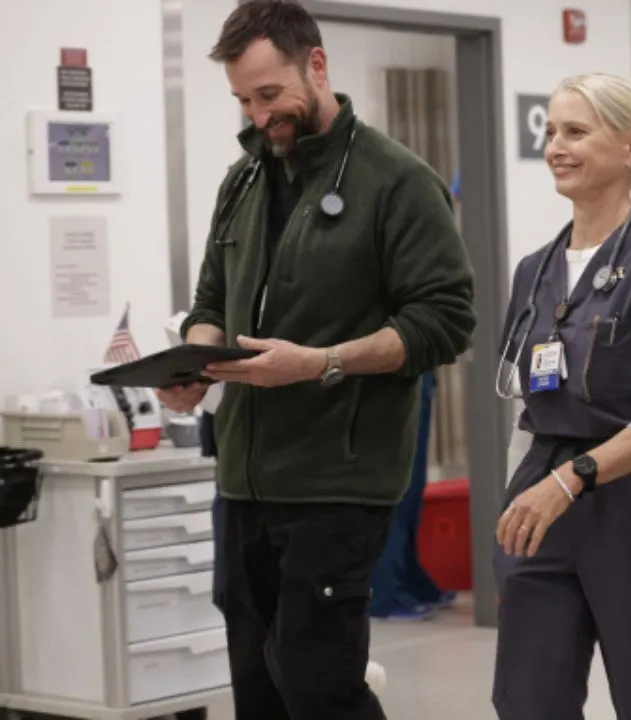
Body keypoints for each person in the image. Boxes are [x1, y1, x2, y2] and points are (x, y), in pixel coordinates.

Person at [156, 2, 476, 718]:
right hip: (243, 484)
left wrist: (321, 363)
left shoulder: (397, 182)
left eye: (270, 94)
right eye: (244, 100)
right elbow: (211, 301)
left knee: (317, 685)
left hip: (337, 485)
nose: (258, 115)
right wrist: (193, 363)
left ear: (317, 65)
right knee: (258, 689)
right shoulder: (242, 182)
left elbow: (446, 322)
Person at [490, 72, 631, 720]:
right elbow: (527, 412)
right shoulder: (533, 271)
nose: (556, 148)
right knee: (527, 702)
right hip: (541, 499)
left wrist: (573, 480)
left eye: (575, 132)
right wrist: (515, 507)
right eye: (550, 133)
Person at [369, 371, 456, 620]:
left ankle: (408, 577)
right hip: (390, 376)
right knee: (397, 485)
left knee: (412, 489)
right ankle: (386, 591)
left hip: (415, 369)